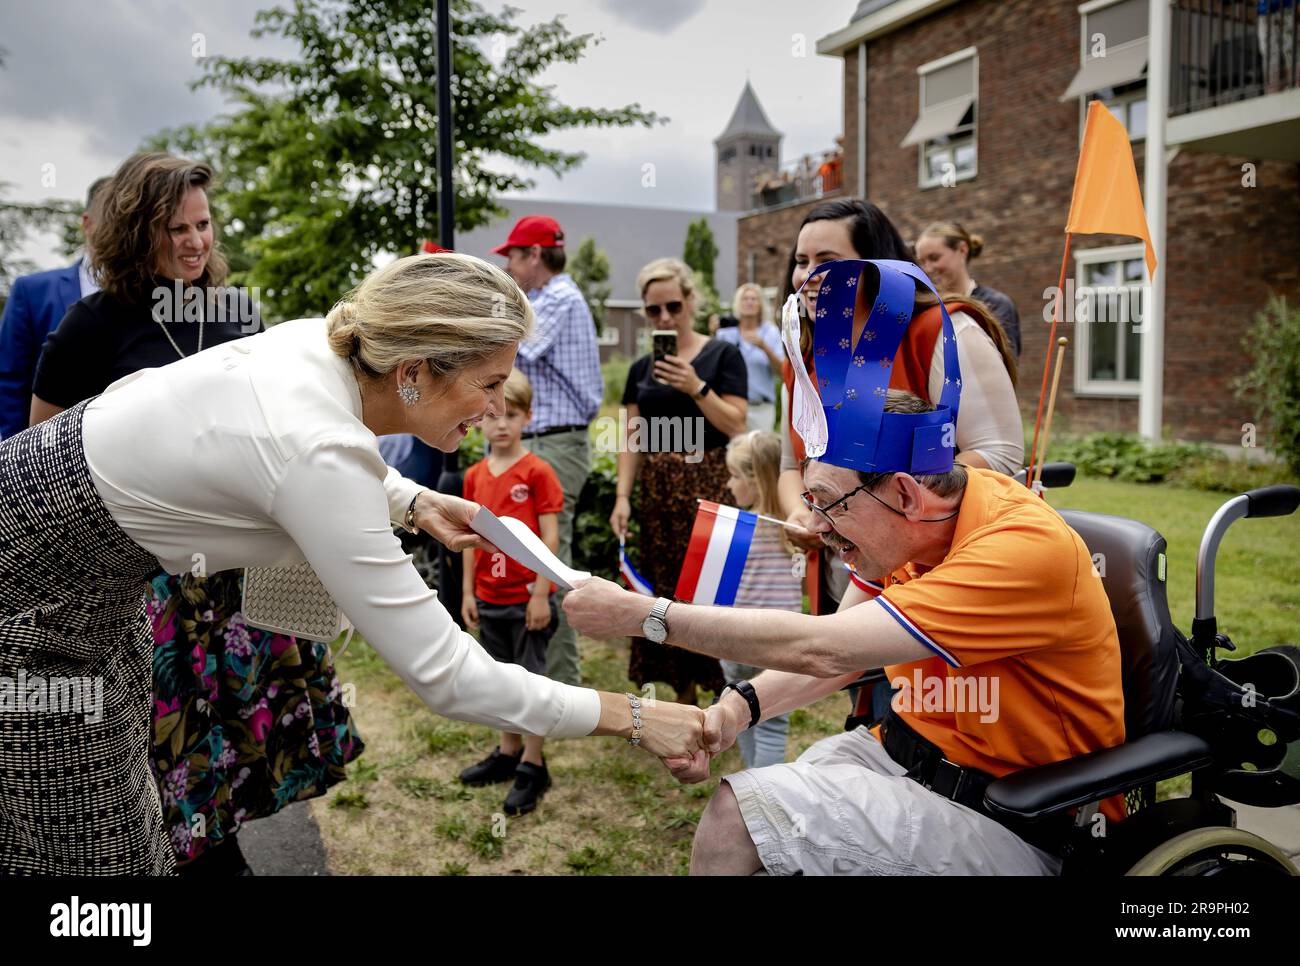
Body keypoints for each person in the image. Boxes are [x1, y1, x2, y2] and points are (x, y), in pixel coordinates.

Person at [0, 250, 705, 875]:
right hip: (32, 613)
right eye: (488, 384)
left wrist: (415, 501)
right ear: (413, 373)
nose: (497, 407)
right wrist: (634, 717)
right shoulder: (322, 453)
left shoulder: (324, 344)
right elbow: (449, 676)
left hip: (91, 592)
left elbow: (302, 450)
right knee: (90, 865)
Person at [563, 258, 1127, 877]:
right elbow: (848, 653)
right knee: (778, 835)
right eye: (811, 501)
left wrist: (648, 616)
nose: (817, 527)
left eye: (830, 504)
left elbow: (822, 647)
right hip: (906, 758)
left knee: (738, 814)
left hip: (1019, 817)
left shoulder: (1014, 550)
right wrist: (734, 711)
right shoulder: (908, 537)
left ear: (908, 494)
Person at [27, 153, 335, 876]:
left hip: (236, 575)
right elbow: (42, 456)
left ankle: (213, 850)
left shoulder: (235, 312)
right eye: (176, 228)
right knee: (169, 755)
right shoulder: (91, 327)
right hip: (146, 583)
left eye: (203, 224)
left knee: (232, 746)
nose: (196, 241)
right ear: (137, 233)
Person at [778, 199, 1022, 615]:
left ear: (877, 267)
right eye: (802, 261)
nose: (809, 276)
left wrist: (885, 507)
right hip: (844, 576)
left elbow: (1000, 453)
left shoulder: (944, 333)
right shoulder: (802, 356)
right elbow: (790, 465)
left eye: (828, 261)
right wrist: (801, 512)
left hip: (937, 577)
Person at [611, 257, 748, 704]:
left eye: (673, 306)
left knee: (709, 591)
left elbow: (736, 426)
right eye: (654, 311)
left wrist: (696, 387)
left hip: (708, 484)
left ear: (690, 301)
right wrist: (622, 497)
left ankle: (726, 695)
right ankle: (685, 698)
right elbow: (631, 438)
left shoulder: (722, 355)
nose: (665, 318)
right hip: (658, 492)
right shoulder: (639, 369)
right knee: (664, 594)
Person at [494, 215, 603, 696]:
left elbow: (518, 345)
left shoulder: (558, 297)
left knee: (548, 560)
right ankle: (526, 682)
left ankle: (561, 688)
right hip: (538, 438)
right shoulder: (542, 299)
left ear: (534, 255)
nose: (510, 267)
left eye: (513, 257)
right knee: (522, 555)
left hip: (554, 442)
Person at [458, 369, 564, 815]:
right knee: (499, 680)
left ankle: (533, 763)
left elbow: (551, 539)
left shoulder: (538, 472)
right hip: (488, 597)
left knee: (532, 682)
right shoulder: (473, 476)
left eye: (511, 415)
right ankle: (506, 752)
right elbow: (466, 540)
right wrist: (467, 592)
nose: (501, 424)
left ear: (527, 418)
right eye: (492, 415)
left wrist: (541, 593)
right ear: (478, 420)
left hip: (527, 599)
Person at [0, 176, 109, 439]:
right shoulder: (32, 291)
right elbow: (9, 382)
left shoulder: (158, 295)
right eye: (111, 217)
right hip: (46, 454)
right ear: (87, 223)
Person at [719, 431, 801, 768]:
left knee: (740, 712)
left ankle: (754, 786)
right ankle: (761, 788)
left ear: (758, 481)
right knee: (771, 721)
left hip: (735, 638)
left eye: (735, 475)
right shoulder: (797, 531)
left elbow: (716, 592)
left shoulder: (733, 529)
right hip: (781, 640)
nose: (728, 484)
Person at [916, 221, 1022, 357]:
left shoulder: (996, 305)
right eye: (922, 262)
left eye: (934, 258)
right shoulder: (927, 308)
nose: (927, 269)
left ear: (962, 250)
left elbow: (1006, 365)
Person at [715, 283, 784, 432]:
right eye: (745, 299)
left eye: (754, 299)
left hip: (761, 409)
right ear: (738, 304)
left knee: (760, 453)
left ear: (761, 305)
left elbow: (783, 371)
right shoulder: (725, 334)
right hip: (730, 407)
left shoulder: (770, 333)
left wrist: (765, 348)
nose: (749, 302)